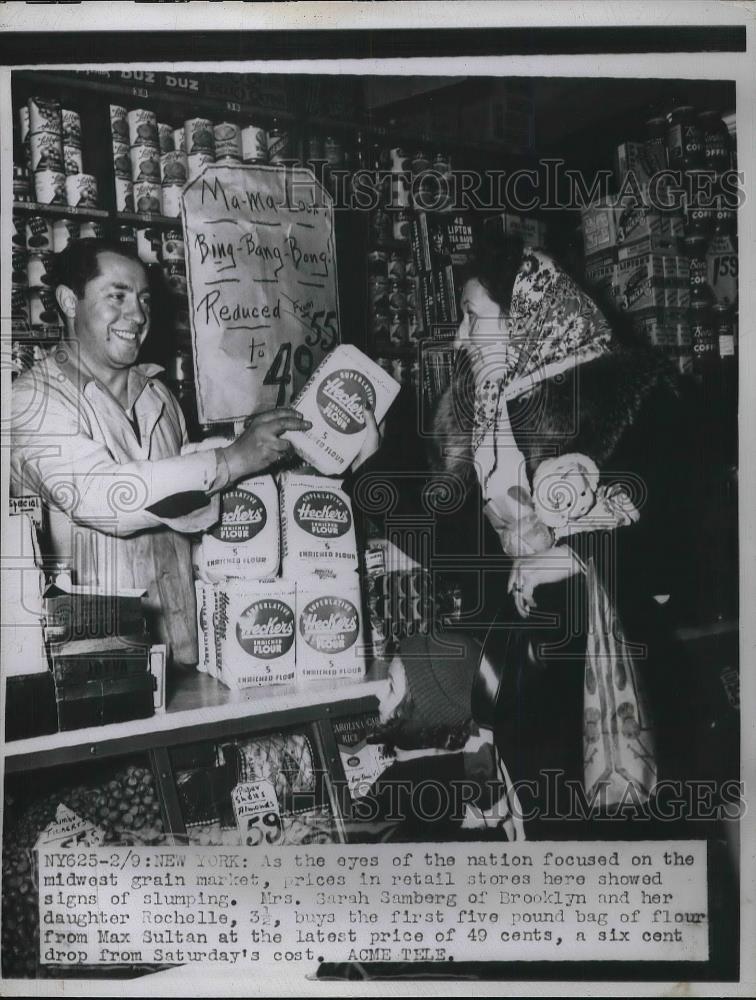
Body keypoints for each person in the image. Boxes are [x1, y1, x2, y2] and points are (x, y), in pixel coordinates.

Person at [422, 242, 700, 836]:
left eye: (474, 316)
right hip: (530, 680)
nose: (461, 339)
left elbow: (683, 547)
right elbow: (461, 551)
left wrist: (577, 558)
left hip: (615, 675)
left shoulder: (630, 399)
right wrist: (368, 463)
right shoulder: (484, 417)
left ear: (524, 318)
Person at [10, 238, 378, 667]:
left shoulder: (159, 398)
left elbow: (191, 495)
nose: (138, 314)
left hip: (184, 656)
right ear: (69, 301)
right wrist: (232, 459)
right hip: (91, 670)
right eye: (118, 296)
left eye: (144, 298)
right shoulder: (29, 401)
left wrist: (308, 449)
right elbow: (103, 496)